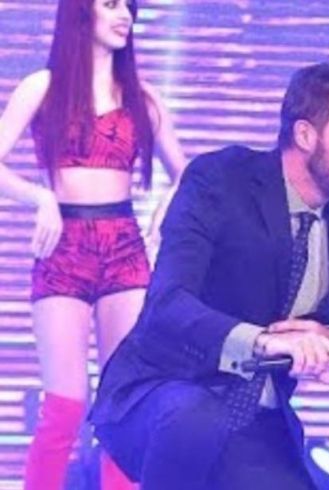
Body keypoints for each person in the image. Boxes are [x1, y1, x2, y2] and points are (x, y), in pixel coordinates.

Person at [89, 60, 329, 490]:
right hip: (165, 388)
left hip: (255, 417)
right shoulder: (221, 180)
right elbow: (168, 304)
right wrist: (262, 341)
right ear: (305, 135)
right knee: (196, 419)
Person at [0, 0, 188, 488]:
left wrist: (163, 214)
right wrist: (40, 197)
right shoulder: (43, 87)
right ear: (81, 12)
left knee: (121, 405)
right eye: (111, 4)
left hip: (123, 246)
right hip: (64, 248)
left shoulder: (142, 98)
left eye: (129, 6)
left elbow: (186, 174)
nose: (125, 14)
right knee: (64, 406)